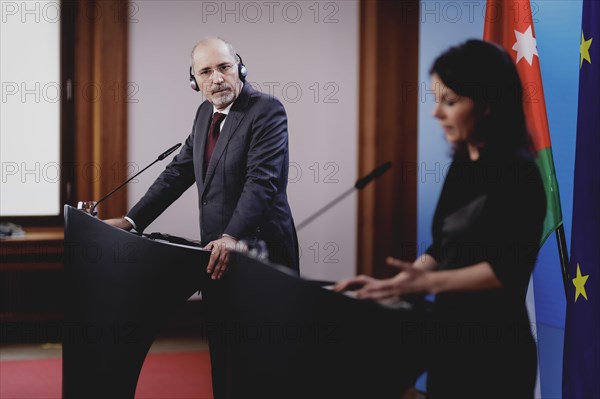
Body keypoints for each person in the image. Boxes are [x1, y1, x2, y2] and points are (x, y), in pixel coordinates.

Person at [335, 39, 546, 399]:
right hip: (449, 341)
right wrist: (397, 284)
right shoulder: (463, 166)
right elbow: (442, 247)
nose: (436, 113)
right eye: (436, 99)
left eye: (450, 102)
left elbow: (504, 272)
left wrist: (423, 285)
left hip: (496, 353)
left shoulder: (520, 175)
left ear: (488, 104)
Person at [105, 37, 299, 277]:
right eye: (205, 72)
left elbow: (260, 181)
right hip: (214, 250)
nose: (216, 79)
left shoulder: (266, 110)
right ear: (194, 81)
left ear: (240, 68)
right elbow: (178, 173)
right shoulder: (205, 111)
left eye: (224, 67)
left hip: (259, 250)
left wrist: (231, 236)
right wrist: (130, 221)